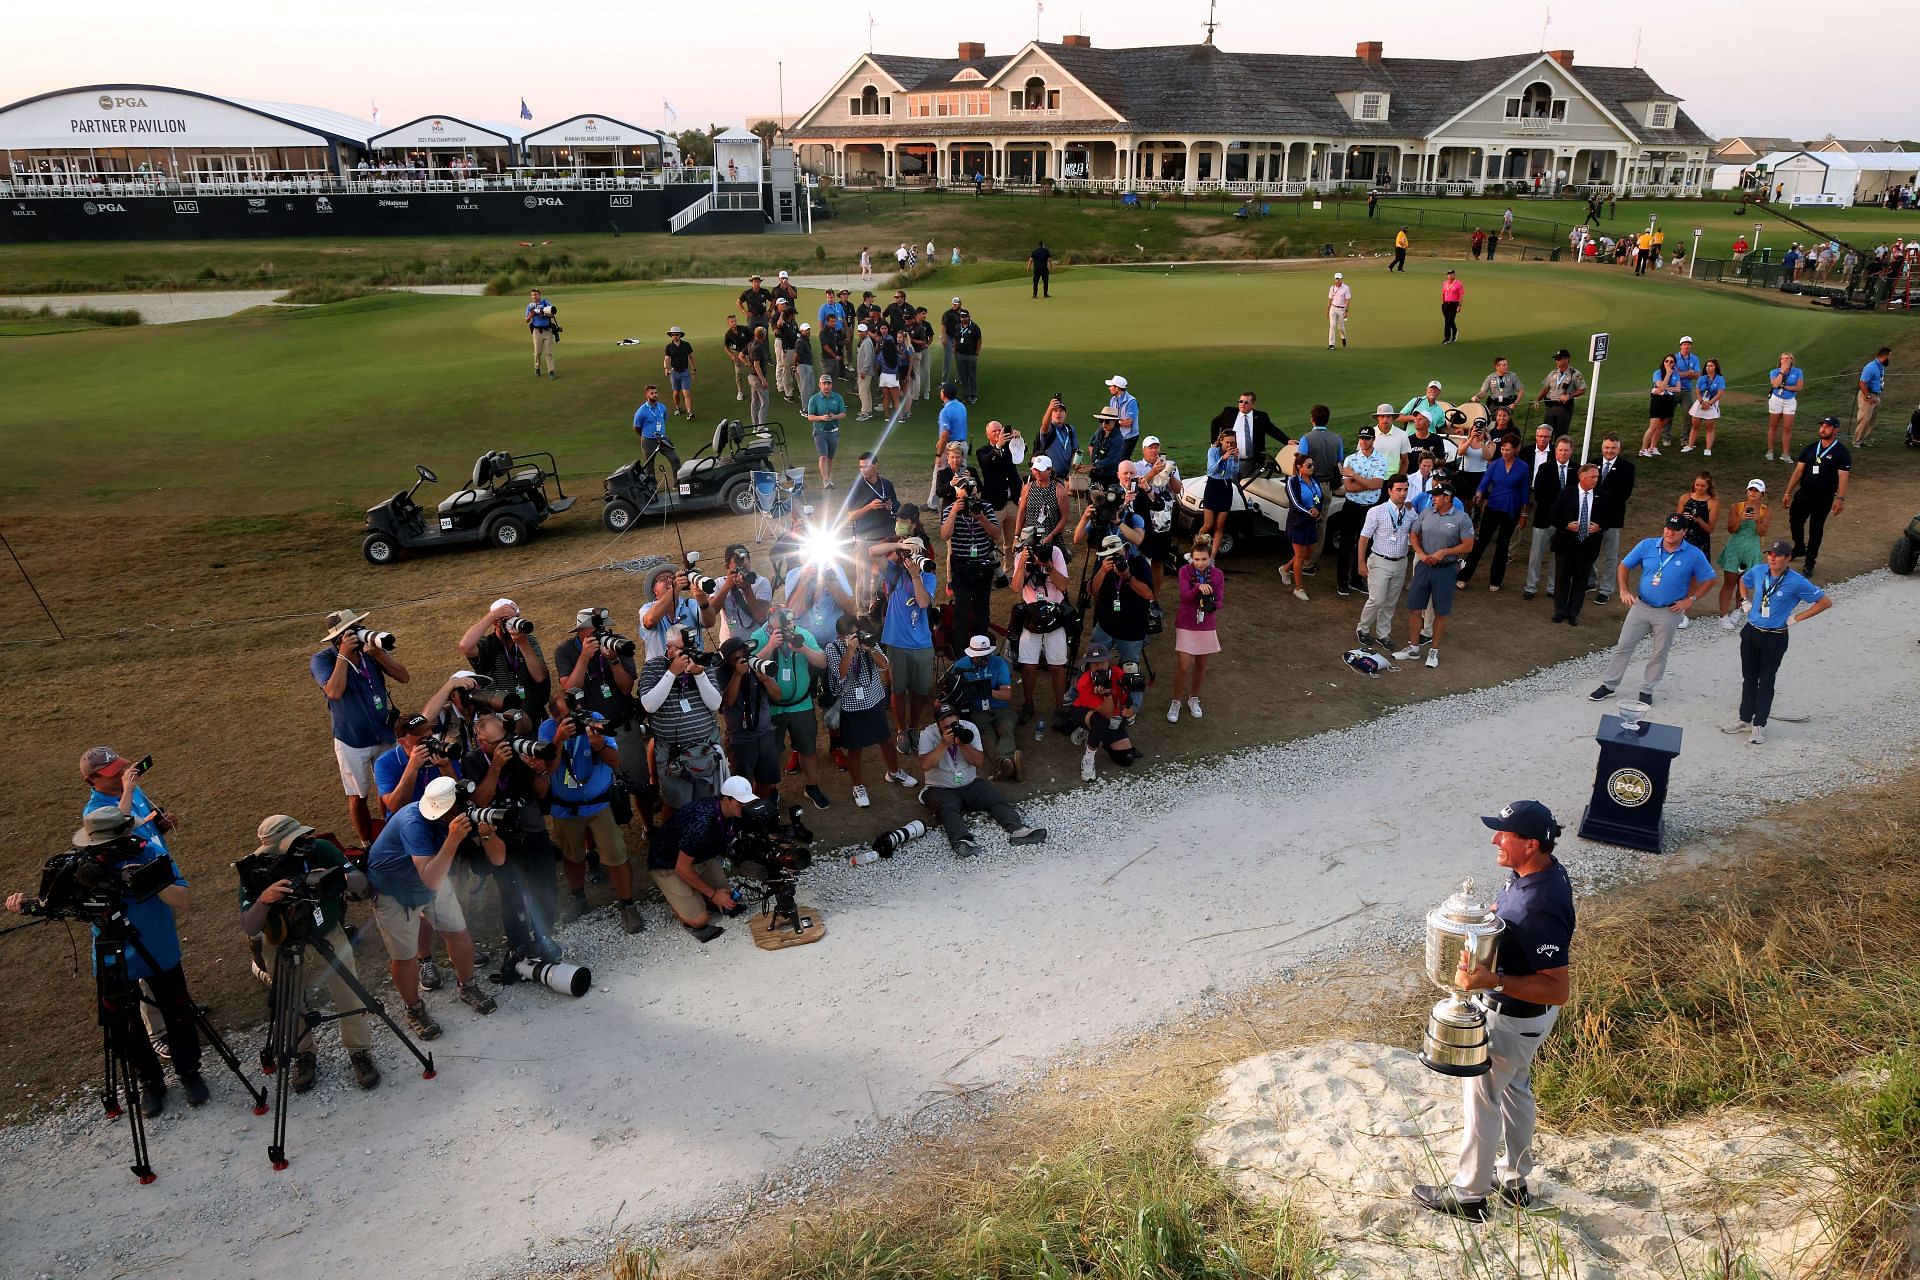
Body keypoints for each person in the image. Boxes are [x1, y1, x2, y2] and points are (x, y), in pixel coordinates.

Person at [1412, 800, 1574, 1222]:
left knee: (1482, 1098)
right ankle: (1514, 1181)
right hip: (1524, 1018)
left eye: (1505, 834)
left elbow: (1558, 989)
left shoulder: (1540, 904)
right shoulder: (1532, 874)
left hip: (1515, 1017)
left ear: (1531, 843)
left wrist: (1493, 981)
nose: (1494, 840)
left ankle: (1469, 1194)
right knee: (1515, 1090)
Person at [7, 807, 207, 1114]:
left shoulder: (150, 852)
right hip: (112, 954)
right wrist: (28, 907)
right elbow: (61, 906)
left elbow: (183, 900)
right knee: (123, 1026)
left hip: (158, 949)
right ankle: (150, 1083)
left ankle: (189, 1072)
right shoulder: (81, 867)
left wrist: (143, 880)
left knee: (177, 1012)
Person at [240, 815, 380, 1092]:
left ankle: (360, 1051)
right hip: (281, 943)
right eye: (295, 840)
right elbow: (249, 925)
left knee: (349, 993)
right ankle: (302, 1053)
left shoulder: (319, 849)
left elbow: (360, 881)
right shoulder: (256, 870)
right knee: (289, 1003)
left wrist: (335, 878)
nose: (304, 842)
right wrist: (264, 899)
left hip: (328, 933)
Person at [364, 776, 501, 1032]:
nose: (462, 813)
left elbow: (495, 858)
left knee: (458, 934)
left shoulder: (456, 815)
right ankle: (414, 1009)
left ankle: (467, 986)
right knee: (404, 957)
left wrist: (488, 836)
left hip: (432, 878)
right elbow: (429, 877)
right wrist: (452, 839)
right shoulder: (412, 822)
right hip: (395, 890)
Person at [537, 696, 643, 935]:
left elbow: (616, 760)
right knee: (572, 856)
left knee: (616, 855)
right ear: (555, 718)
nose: (575, 719)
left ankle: (627, 904)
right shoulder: (547, 729)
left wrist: (600, 746)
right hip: (565, 807)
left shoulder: (594, 721)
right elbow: (547, 769)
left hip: (598, 805)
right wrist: (558, 740)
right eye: (567, 716)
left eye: (576, 711)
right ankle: (578, 898)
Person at [1587, 513, 1718, 705]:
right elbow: (1624, 565)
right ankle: (1609, 685)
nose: (1669, 532)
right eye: (1667, 528)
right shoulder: (1647, 545)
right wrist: (1623, 590)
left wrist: (1690, 600)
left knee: (1659, 652)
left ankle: (1647, 690)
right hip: (1641, 606)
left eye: (1675, 529)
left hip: (1669, 611)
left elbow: (1710, 578)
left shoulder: (1693, 554)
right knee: (1623, 646)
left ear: (1684, 532)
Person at [311, 608, 410, 845]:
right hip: (352, 740)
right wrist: (343, 656)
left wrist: (379, 655)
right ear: (339, 637)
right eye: (352, 629)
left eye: (358, 627)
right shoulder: (322, 660)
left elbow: (404, 677)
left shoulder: (369, 654)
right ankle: (367, 844)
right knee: (358, 795)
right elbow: (334, 692)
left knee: (388, 787)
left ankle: (392, 832)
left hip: (384, 732)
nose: (359, 632)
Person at [1723, 540, 1832, 745]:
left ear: (1787, 558)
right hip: (1751, 632)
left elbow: (1825, 602)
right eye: (1770, 554)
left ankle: (1759, 725)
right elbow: (1742, 581)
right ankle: (1745, 719)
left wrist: (1796, 618)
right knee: (1749, 678)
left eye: (1777, 555)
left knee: (1766, 681)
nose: (1772, 558)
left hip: (1775, 637)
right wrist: (1744, 600)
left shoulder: (1796, 581)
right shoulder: (1758, 571)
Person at [917, 704, 1048, 858]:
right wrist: (944, 744)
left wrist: (963, 745)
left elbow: (978, 761)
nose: (950, 729)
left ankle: (1018, 830)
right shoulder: (927, 734)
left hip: (970, 783)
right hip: (940, 787)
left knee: (995, 798)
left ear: (959, 719)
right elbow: (925, 765)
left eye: (953, 724)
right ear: (938, 725)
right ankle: (961, 840)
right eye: (945, 726)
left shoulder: (969, 728)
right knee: (947, 809)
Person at [646, 776, 753, 943]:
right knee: (700, 921)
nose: (745, 807)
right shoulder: (701, 822)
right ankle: (677, 900)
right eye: (741, 803)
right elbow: (682, 867)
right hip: (669, 864)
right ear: (726, 799)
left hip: (702, 857)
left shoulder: (731, 813)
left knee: (728, 901)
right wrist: (713, 894)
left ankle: (696, 895)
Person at [822, 618, 917, 806]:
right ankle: (858, 786)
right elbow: (840, 674)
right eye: (850, 635)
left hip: (874, 700)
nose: (856, 638)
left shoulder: (868, 642)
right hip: (850, 706)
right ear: (841, 637)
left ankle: (894, 772)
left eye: (857, 633)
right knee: (855, 749)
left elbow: (884, 665)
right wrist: (850, 650)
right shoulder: (832, 648)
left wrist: (871, 649)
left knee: (887, 741)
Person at [748, 607, 831, 809]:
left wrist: (802, 648)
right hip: (771, 707)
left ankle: (812, 787)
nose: (788, 631)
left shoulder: (801, 634)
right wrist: (769, 647)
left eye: (790, 626)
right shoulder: (758, 636)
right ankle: (772, 790)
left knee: (808, 748)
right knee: (772, 752)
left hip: (801, 704)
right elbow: (747, 666)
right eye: (782, 628)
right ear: (770, 626)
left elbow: (822, 662)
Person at [871, 535, 938, 753]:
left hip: (921, 643)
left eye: (918, 551)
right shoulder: (894, 573)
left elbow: (923, 602)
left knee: (920, 691)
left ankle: (913, 728)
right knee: (898, 689)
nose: (914, 555)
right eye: (911, 551)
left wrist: (916, 576)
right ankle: (901, 730)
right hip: (898, 642)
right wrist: (901, 546)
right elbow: (872, 551)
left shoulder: (928, 576)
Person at [1397, 483, 1474, 668]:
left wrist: (1445, 552)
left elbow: (1468, 545)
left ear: (1447, 498)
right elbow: (1414, 534)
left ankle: (1434, 651)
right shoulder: (1426, 512)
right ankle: (1414, 648)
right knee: (1415, 608)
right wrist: (1422, 555)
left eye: (1437, 495)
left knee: (1440, 612)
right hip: (1424, 566)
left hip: (1446, 569)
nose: (1433, 498)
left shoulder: (1462, 518)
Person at [1010, 529, 1073, 737]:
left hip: (1055, 615)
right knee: (1028, 667)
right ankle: (1028, 705)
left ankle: (1059, 707)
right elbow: (1015, 587)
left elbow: (1063, 585)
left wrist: (1047, 565)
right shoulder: (1022, 556)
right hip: (1031, 616)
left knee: (1058, 667)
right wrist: (1023, 563)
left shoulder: (1054, 553)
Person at [1087, 534, 1155, 710]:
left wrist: (1128, 576)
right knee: (1093, 662)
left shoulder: (1139, 564)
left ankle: (1131, 708)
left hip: (1132, 630)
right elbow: (1092, 591)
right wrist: (1102, 571)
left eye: (1118, 553)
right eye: (1110, 555)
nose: (1116, 558)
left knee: (1131, 670)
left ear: (1125, 549)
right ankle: (1084, 695)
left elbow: (1149, 594)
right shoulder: (1102, 565)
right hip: (1106, 625)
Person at [1782, 415, 1851, 577]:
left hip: (1824, 496)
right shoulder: (1810, 448)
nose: (1823, 429)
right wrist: (1787, 492)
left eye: (1827, 427)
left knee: (1816, 529)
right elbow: (1798, 471)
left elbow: (1843, 476)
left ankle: (1810, 562)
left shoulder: (1842, 453)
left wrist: (1840, 499)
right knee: (1795, 520)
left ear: (1835, 430)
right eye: (1821, 426)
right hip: (1804, 492)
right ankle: (1799, 547)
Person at [946, 634, 1018, 779]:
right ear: (972, 656)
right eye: (980, 656)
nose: (985, 659)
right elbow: (952, 692)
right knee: (986, 736)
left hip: (1000, 708)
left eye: (987, 655)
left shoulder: (999, 663)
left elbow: (1007, 695)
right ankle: (1008, 762)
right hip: (977, 711)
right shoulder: (960, 665)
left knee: (1007, 728)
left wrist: (987, 690)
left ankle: (1004, 763)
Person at [941, 469, 1000, 645]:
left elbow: (996, 534)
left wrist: (981, 517)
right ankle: (961, 653)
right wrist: (953, 513)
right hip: (961, 565)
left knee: (982, 611)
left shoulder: (985, 507)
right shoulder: (950, 509)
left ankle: (981, 648)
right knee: (962, 611)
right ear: (957, 493)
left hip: (982, 565)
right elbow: (944, 535)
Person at [1070, 641, 1142, 783]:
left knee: (1126, 758)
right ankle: (1088, 759)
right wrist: (1107, 695)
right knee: (1100, 722)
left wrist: (1130, 709)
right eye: (1095, 663)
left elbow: (1126, 699)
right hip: (1084, 711)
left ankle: (1098, 738)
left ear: (1108, 661)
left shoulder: (1118, 674)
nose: (1099, 666)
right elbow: (1107, 714)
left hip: (1110, 716)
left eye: (1102, 662)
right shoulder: (1084, 683)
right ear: (1089, 664)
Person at [1356, 473, 1414, 647]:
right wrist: (1361, 561)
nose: (1403, 493)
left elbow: (1417, 532)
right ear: (1389, 491)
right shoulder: (1376, 511)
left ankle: (1383, 634)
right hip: (1380, 561)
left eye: (1405, 489)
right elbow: (1364, 537)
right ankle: (1363, 629)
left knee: (1390, 602)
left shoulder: (1411, 513)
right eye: (1398, 490)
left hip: (1401, 561)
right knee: (1377, 599)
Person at [1168, 536, 1223, 720]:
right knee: (1183, 666)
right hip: (1186, 622)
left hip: (1206, 624)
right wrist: (1199, 587)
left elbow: (1220, 601)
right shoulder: (1184, 571)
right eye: (1197, 559)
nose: (1200, 563)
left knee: (1202, 665)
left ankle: (1194, 698)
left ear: (1210, 558)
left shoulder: (1217, 575)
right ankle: (1176, 701)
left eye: (1204, 559)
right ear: (1191, 558)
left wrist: (1211, 604)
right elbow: (1185, 596)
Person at [1331, 425, 1388, 597]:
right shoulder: (1350, 460)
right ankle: (1342, 581)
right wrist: (1367, 483)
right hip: (1352, 506)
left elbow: (1378, 485)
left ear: (1373, 439)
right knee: (1346, 544)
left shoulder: (1381, 460)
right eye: (1361, 438)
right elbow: (1349, 488)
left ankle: (1356, 579)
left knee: (1366, 545)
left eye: (1367, 438)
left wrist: (1355, 476)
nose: (1363, 441)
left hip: (1371, 508)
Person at [1548, 464, 1605, 625]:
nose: (1596, 479)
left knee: (1581, 581)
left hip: (1588, 545)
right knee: (1562, 579)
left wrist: (1600, 527)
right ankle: (1560, 610)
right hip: (1566, 544)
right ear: (1582, 476)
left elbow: (1610, 517)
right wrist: (1566, 525)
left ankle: (1573, 613)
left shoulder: (1602, 496)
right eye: (1592, 476)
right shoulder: (1567, 493)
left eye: (1597, 477)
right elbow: (1553, 514)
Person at [1523, 436, 1574, 600]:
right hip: (1543, 519)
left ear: (1571, 451)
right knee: (1536, 555)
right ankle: (1531, 587)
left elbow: (1576, 497)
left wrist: (1564, 519)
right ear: (1556, 451)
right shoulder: (1545, 468)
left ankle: (1553, 587)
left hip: (1565, 524)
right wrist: (1553, 515)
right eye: (1560, 450)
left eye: (1566, 450)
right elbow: (1539, 493)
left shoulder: (1576, 470)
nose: (1563, 453)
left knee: (1557, 557)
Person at [1717, 480, 1771, 628]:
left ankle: (1737, 610)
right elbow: (1731, 529)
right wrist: (1740, 518)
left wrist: (1758, 519)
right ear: (1746, 491)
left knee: (1744, 583)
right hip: (1735, 549)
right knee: (1729, 582)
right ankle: (1723, 616)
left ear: (1762, 493)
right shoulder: (1736, 507)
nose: (1753, 493)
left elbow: (1762, 532)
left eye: (1756, 490)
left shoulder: (1766, 510)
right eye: (1750, 490)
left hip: (1751, 551)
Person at [1591, 436, 1635, 604]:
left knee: (1610, 555)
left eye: (1613, 448)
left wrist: (1599, 498)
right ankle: (1590, 581)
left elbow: (1624, 495)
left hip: (1612, 519)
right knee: (1591, 553)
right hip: (1591, 517)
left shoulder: (1627, 468)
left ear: (1619, 449)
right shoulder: (1592, 463)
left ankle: (1606, 589)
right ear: (1602, 447)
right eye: (1606, 447)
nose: (1609, 451)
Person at [976, 421, 1025, 557]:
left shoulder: (1010, 447)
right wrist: (998, 447)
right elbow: (987, 461)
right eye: (994, 431)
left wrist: (1018, 439)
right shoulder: (982, 451)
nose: (998, 433)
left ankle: (1009, 574)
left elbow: (1023, 450)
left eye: (1000, 430)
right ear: (987, 435)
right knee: (990, 540)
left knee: (1012, 541)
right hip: (994, 504)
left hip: (1013, 501)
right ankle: (990, 571)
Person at [1210, 391, 1289, 475]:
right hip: (1229, 458)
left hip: (1250, 461)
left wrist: (1287, 440)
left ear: (1252, 404)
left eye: (1246, 402)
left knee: (1247, 483)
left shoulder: (1261, 417)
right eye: (1241, 401)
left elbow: (1272, 430)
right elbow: (1214, 423)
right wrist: (1214, 442)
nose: (1242, 404)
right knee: (1227, 482)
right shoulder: (1229, 412)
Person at [631, 384, 682, 481]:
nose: (655, 395)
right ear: (647, 395)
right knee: (649, 466)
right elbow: (636, 427)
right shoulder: (641, 411)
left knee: (674, 458)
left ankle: (678, 482)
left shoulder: (662, 408)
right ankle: (652, 486)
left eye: (656, 393)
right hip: (648, 441)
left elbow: (663, 420)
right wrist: (644, 435)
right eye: (652, 393)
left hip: (662, 439)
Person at [1675, 472, 1719, 574]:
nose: (1699, 488)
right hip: (1683, 540)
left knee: (1697, 574)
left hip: (1700, 542)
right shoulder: (1685, 498)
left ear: (1708, 486)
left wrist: (1698, 519)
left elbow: (1710, 529)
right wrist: (1682, 517)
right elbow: (1676, 520)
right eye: (1697, 485)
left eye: (1703, 486)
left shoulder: (1712, 502)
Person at [1535, 349, 1586, 436]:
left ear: (1567, 359)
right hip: (1550, 407)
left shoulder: (1574, 374)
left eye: (1559, 359)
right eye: (1556, 359)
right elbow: (1546, 388)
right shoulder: (1553, 373)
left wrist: (1569, 396)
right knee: (1547, 432)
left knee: (1561, 434)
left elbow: (1582, 389)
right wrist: (1537, 400)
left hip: (1564, 408)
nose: (1557, 361)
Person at [1681, 357, 1726, 456]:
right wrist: (1701, 401)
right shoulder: (1702, 378)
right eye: (1707, 366)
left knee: (1709, 427)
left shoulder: (1720, 379)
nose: (1708, 368)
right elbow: (1697, 390)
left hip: (1712, 402)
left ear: (1715, 367)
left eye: (1711, 366)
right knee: (1695, 425)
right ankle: (1690, 445)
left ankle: (1708, 449)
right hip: (1700, 402)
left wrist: (1709, 403)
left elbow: (1720, 393)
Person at [1765, 352, 1804, 462]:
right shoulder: (1774, 372)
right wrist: (1782, 371)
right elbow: (1775, 385)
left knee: (1787, 428)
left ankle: (1785, 454)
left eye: (1788, 358)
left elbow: (1799, 387)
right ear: (1780, 361)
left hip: (1790, 401)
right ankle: (1770, 451)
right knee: (1773, 426)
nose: (1786, 360)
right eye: (1783, 358)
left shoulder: (1798, 372)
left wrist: (1784, 386)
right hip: (1776, 400)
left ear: (1792, 360)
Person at [1639, 355, 1681, 457]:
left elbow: (1678, 389)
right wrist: (1668, 375)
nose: (1669, 363)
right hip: (1658, 400)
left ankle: (1653, 447)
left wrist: (1667, 388)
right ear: (1663, 362)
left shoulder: (1676, 374)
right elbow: (1661, 387)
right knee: (1653, 426)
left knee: (1660, 426)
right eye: (1667, 361)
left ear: (1674, 363)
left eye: (1671, 362)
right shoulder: (1657, 373)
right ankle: (1643, 449)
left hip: (1669, 400)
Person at [1854, 347, 1892, 446]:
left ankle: (1865, 439)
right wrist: (1868, 397)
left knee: (1871, 420)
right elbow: (1862, 383)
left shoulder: (1880, 367)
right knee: (1864, 419)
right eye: (1889, 356)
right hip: (1868, 395)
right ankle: (1857, 441)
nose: (1890, 359)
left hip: (1876, 395)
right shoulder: (1870, 367)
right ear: (1885, 356)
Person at [1669, 336, 1702, 448]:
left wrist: (1682, 373)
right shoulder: (1674, 358)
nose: (1686, 346)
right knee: (1668, 415)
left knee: (1688, 416)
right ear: (1680, 346)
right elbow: (1674, 374)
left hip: (1687, 391)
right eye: (1684, 344)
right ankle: (1666, 437)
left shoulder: (1694, 359)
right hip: (1673, 390)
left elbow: (1697, 375)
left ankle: (1685, 439)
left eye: (1688, 344)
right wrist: (1689, 372)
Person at [663, 325, 697, 421]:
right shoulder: (669, 347)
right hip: (674, 373)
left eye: (677, 334)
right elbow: (666, 359)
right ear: (671, 336)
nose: (675, 336)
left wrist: (694, 369)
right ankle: (678, 407)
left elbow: (691, 357)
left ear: (680, 335)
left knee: (686, 392)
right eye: (673, 335)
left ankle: (689, 412)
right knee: (676, 393)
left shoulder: (686, 345)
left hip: (685, 372)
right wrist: (666, 368)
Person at [525, 288, 557, 379]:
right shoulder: (530, 306)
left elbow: (553, 314)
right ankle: (537, 367)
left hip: (548, 331)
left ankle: (551, 371)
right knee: (538, 352)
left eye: (535, 294)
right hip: (537, 331)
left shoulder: (546, 303)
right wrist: (532, 314)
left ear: (539, 295)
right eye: (532, 295)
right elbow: (526, 320)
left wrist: (544, 314)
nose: (534, 296)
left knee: (549, 353)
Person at [952, 309, 983, 402]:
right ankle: (966, 394)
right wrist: (955, 352)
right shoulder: (957, 327)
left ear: (969, 317)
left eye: (965, 317)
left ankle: (973, 395)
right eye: (962, 317)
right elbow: (955, 340)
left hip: (971, 355)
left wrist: (976, 353)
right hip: (960, 354)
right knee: (963, 376)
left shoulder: (974, 327)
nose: (963, 319)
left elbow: (979, 341)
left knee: (972, 376)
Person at [1105, 375, 1140, 457]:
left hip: (1129, 437)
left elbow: (1128, 423)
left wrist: (1114, 421)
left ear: (1117, 388)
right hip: (1118, 435)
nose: (1109, 388)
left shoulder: (1131, 402)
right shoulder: (1113, 400)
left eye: (1111, 386)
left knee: (1122, 460)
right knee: (1118, 460)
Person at [746, 325, 772, 425]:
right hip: (757, 378)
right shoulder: (758, 348)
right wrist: (763, 380)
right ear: (763, 336)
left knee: (755, 402)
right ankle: (760, 428)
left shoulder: (750, 344)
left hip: (751, 377)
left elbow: (741, 355)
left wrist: (748, 364)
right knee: (764, 402)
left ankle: (755, 426)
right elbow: (757, 365)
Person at [723, 314, 753, 402]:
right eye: (732, 322)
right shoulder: (728, 334)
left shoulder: (744, 329)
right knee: (738, 374)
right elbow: (726, 347)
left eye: (735, 321)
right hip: (737, 354)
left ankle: (757, 389)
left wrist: (751, 348)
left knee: (753, 371)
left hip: (747, 352)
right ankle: (740, 392)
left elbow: (752, 338)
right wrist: (732, 356)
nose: (734, 323)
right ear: (728, 323)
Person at [852, 324, 876, 422]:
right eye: (859, 331)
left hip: (865, 372)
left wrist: (863, 371)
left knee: (862, 392)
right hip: (865, 371)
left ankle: (864, 412)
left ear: (866, 332)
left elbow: (868, 358)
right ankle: (868, 410)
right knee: (866, 391)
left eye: (862, 331)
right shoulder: (866, 341)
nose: (860, 333)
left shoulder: (866, 343)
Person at [939, 296, 964, 384]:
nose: (954, 305)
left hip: (959, 337)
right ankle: (944, 380)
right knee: (948, 358)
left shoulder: (963, 313)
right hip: (949, 336)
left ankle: (960, 378)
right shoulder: (947, 314)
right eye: (953, 304)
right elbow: (943, 326)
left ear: (960, 304)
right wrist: (944, 337)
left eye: (956, 304)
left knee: (960, 358)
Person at [1327, 271, 1351, 349]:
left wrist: (1346, 311)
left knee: (1341, 327)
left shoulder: (1346, 288)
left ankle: (1343, 338)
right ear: (1334, 279)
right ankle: (1331, 344)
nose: (1337, 280)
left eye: (1339, 279)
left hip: (1341, 309)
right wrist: (1328, 310)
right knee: (1332, 325)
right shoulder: (1332, 288)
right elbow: (1330, 299)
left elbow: (1347, 300)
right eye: (1336, 279)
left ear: (1341, 279)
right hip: (1333, 308)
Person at [1440, 269, 1464, 344]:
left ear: (1454, 275)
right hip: (1445, 304)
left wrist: (1459, 306)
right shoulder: (1445, 283)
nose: (1450, 275)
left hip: (1454, 304)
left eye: (1451, 274)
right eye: (1449, 274)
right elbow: (1443, 293)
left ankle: (1446, 338)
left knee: (1449, 321)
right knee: (1448, 321)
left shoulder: (1458, 284)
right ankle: (1455, 331)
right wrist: (1443, 303)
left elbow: (1461, 295)